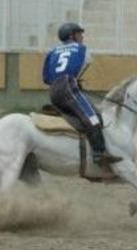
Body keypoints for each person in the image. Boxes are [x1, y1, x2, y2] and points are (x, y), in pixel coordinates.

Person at [42, 23, 121, 167]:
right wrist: (73, 81)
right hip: (68, 88)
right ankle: (99, 154)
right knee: (93, 117)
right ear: (72, 35)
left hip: (53, 91)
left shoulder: (52, 51)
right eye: (79, 33)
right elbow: (85, 64)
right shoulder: (82, 49)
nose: (82, 36)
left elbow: (46, 78)